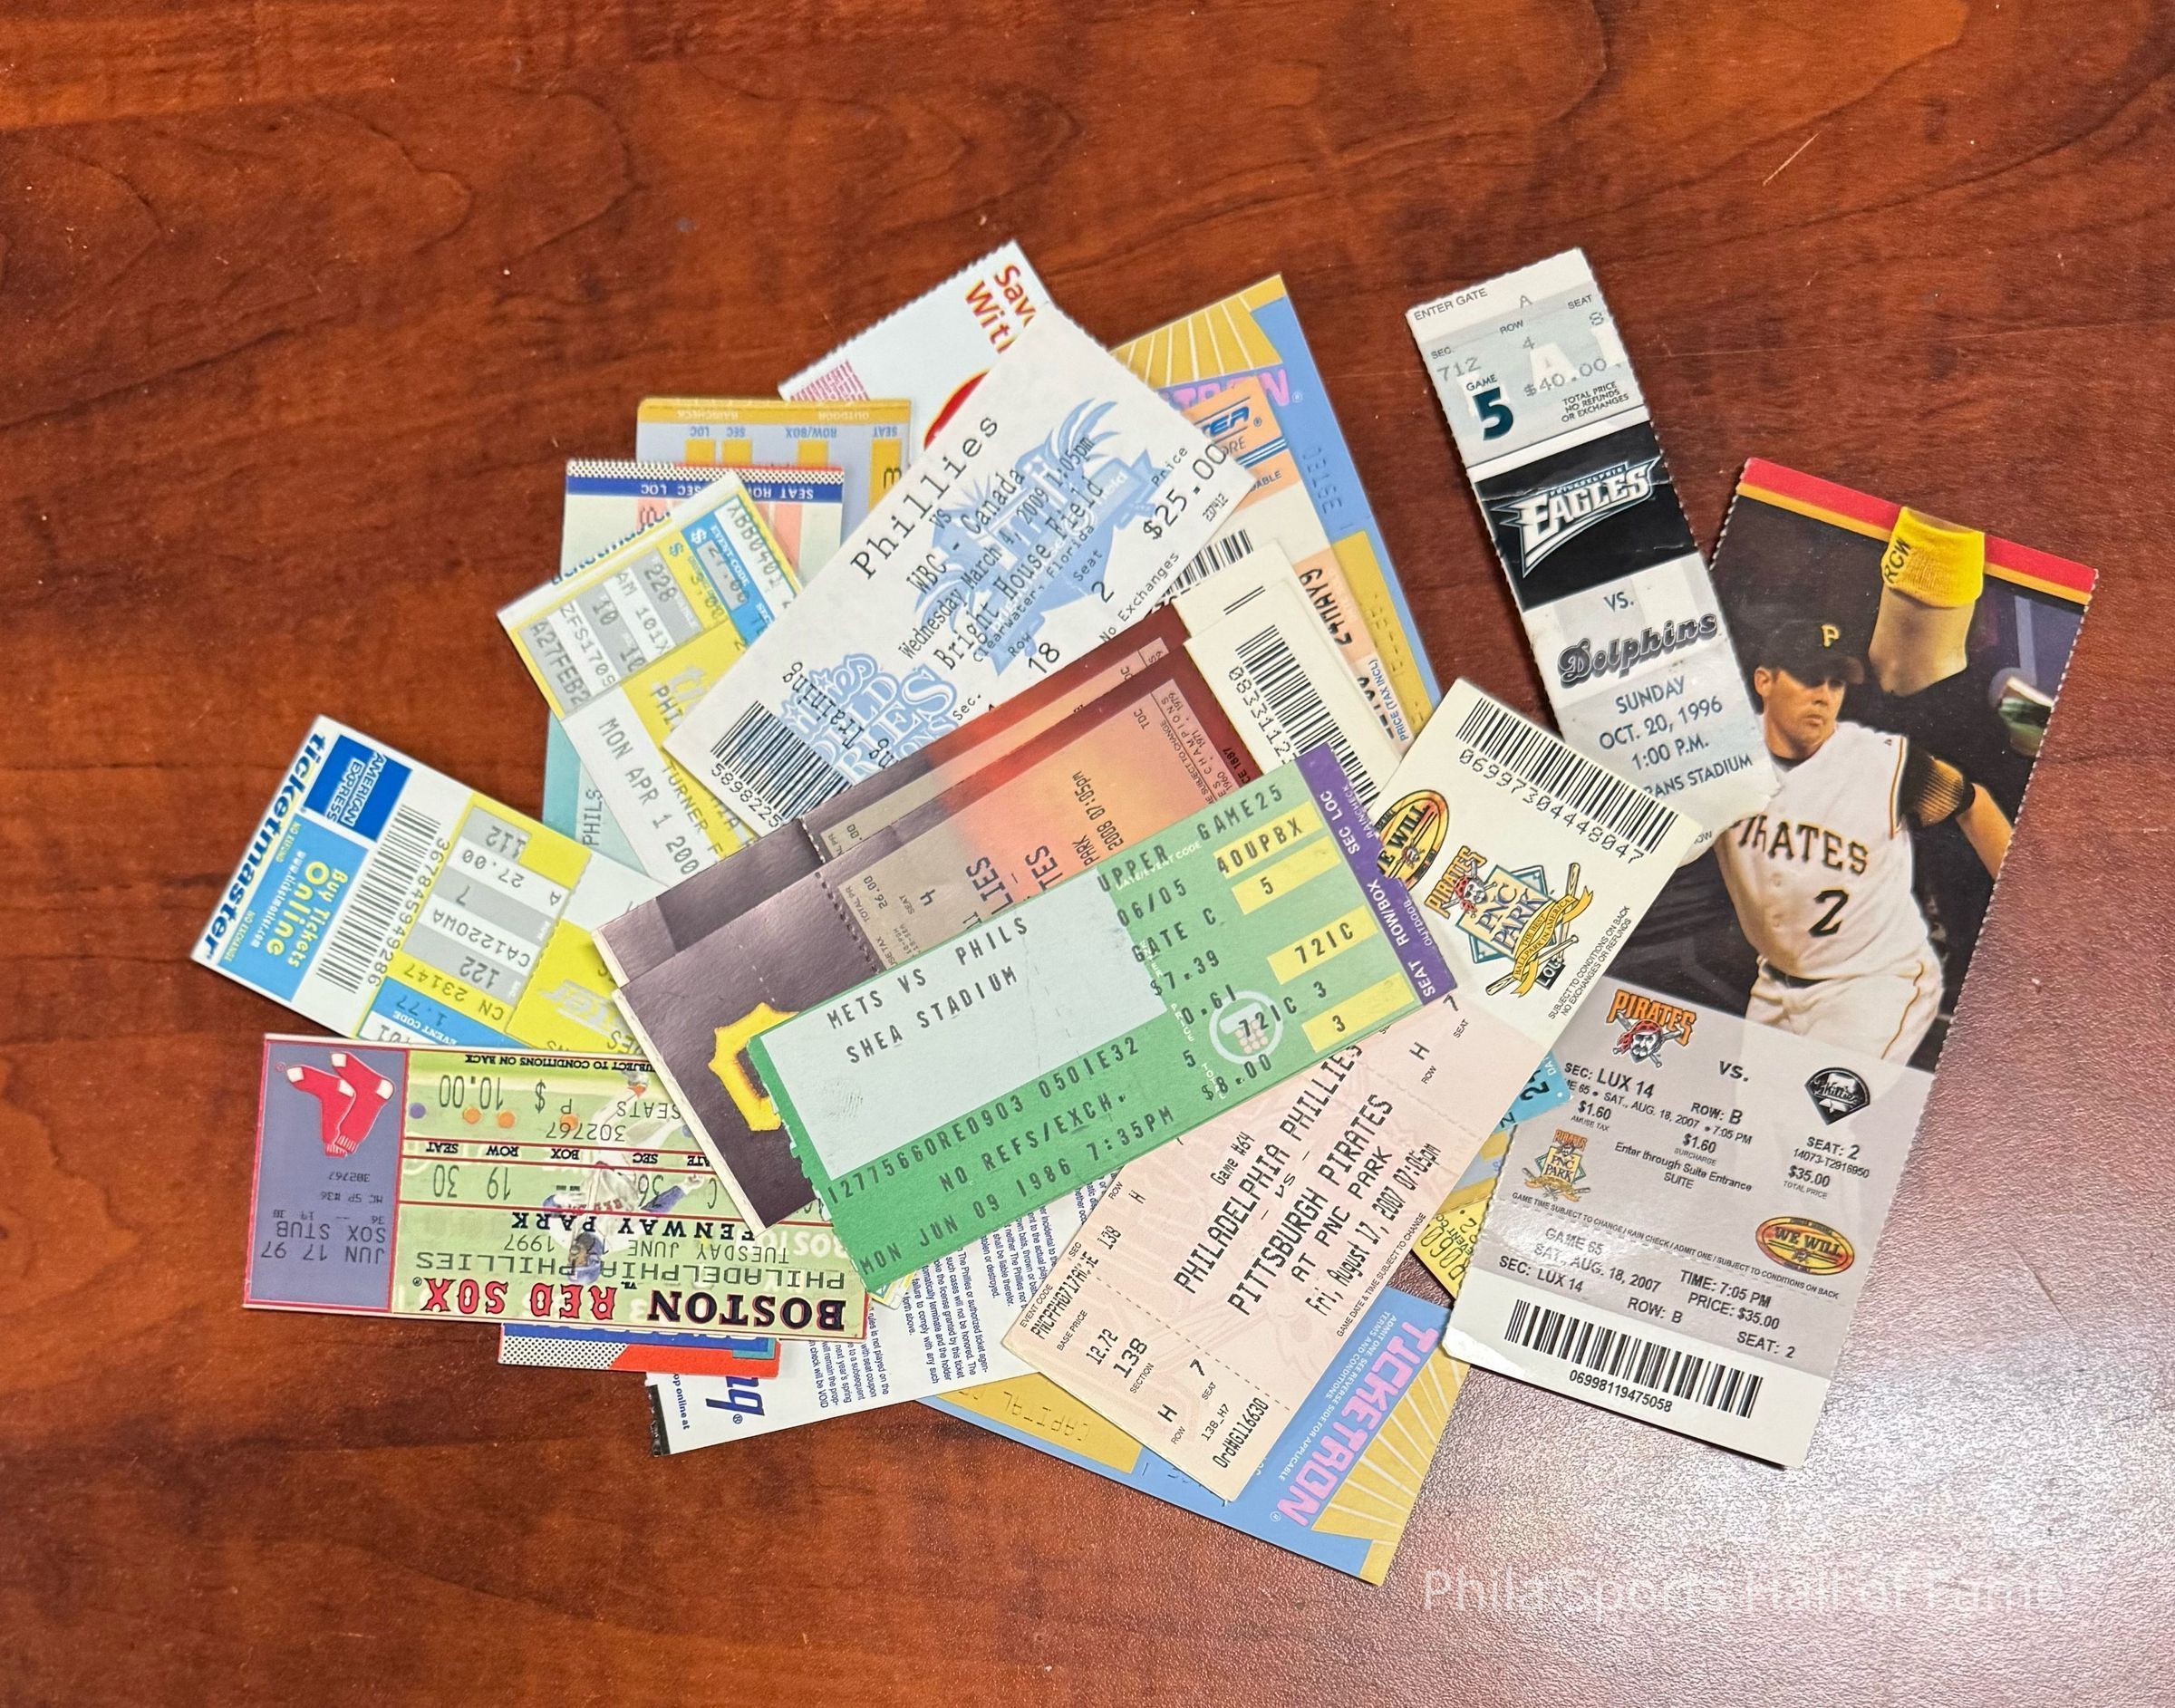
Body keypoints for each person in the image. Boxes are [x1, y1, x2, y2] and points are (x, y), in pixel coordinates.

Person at [1712, 620, 2011, 1062]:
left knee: (1809, 1103)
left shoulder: (1884, 764)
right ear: (1764, 681)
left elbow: (1973, 803)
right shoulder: (1722, 758)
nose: (1824, 695)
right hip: (1776, 985)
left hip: (1875, 986)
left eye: (1836, 683)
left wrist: (2033, 915)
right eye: (1809, 678)